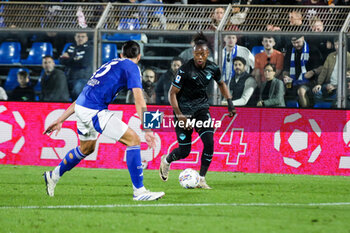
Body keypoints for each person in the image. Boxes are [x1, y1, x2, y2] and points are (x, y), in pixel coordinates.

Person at [43, 40, 165, 201]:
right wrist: (148, 129)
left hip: (81, 108)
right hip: (94, 110)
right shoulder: (132, 67)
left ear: (121, 54)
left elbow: (83, 95)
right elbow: (138, 98)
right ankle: (139, 191)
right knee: (134, 140)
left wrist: (61, 119)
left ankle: (53, 175)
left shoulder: (111, 64)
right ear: (139, 56)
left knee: (86, 149)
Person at [159, 32, 235, 189]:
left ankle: (201, 178)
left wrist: (229, 102)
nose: (199, 57)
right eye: (197, 54)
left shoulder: (213, 68)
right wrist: (179, 116)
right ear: (193, 53)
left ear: (208, 53)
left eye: (203, 54)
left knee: (209, 142)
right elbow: (172, 93)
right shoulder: (184, 70)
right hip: (183, 111)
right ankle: (166, 161)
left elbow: (221, 84)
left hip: (201, 109)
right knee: (185, 151)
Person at [283, 35, 323, 107]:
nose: (295, 45)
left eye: (298, 42)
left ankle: (306, 114)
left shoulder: (312, 49)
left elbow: (321, 67)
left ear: (303, 38)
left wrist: (313, 71)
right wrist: (286, 76)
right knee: (281, 89)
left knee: (301, 91)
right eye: (293, 43)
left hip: (310, 81)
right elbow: (286, 68)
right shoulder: (290, 49)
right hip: (293, 81)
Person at [312, 38, 350, 105]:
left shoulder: (348, 57)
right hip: (329, 84)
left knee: (339, 95)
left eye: (339, 45)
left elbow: (348, 78)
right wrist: (319, 84)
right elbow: (324, 71)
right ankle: (319, 112)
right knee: (317, 91)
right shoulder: (330, 56)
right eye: (335, 45)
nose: (337, 47)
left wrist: (336, 86)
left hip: (342, 87)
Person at [59, 32, 93, 100]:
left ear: (86, 38)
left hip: (82, 78)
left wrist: (69, 59)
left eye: (82, 36)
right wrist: (75, 59)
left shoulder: (90, 48)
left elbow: (83, 63)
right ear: (75, 37)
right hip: (68, 77)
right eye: (78, 36)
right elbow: (61, 61)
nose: (80, 38)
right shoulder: (70, 47)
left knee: (77, 91)